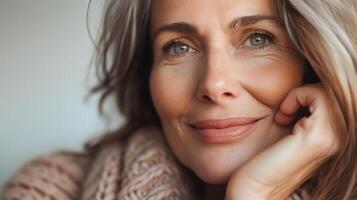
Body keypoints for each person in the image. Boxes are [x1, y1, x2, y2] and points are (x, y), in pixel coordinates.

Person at [1, 0, 356, 199]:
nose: (214, 84)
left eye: (258, 39)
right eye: (179, 47)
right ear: (145, 73)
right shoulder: (49, 189)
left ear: (314, 63)